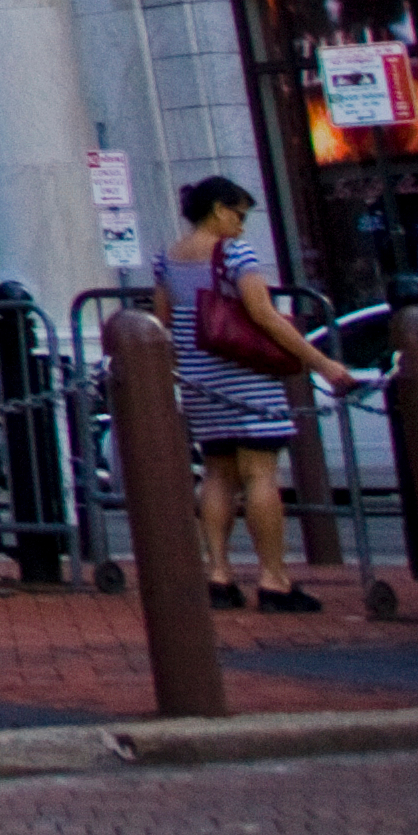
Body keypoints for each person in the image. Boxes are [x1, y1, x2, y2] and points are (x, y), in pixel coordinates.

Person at [160, 176, 350, 612]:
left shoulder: (166, 259)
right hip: (246, 375)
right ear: (219, 209)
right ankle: (273, 579)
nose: (242, 226)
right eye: (239, 215)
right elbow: (263, 315)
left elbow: (164, 319)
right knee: (261, 473)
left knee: (217, 472)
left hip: (200, 378)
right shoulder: (235, 254)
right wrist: (321, 362)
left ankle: (218, 573)